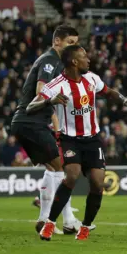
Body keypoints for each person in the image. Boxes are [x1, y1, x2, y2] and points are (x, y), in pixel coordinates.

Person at [26, 45, 127, 241]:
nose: (88, 60)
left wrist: (124, 100)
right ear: (74, 62)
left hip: (92, 139)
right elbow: (30, 107)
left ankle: (85, 227)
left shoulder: (91, 79)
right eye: (84, 57)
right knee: (71, 175)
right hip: (69, 139)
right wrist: (49, 101)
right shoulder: (56, 85)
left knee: (97, 183)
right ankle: (50, 224)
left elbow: (108, 91)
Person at [10, 25, 81, 234]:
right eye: (70, 42)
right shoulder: (50, 61)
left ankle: (43, 220)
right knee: (64, 168)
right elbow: (41, 91)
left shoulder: (58, 63)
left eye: (76, 43)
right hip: (30, 122)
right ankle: (68, 220)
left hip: (29, 122)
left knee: (53, 168)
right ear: (57, 41)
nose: (73, 47)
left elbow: (49, 104)